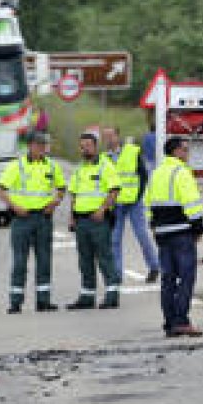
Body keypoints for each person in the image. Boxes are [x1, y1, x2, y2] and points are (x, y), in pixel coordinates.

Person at [0, 131, 65, 314]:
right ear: (30, 146)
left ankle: (43, 301)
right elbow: (1, 190)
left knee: (44, 261)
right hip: (22, 220)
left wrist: (55, 203)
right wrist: (15, 207)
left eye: (45, 145)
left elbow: (61, 188)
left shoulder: (51, 166)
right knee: (19, 262)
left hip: (43, 218)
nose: (43, 148)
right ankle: (16, 302)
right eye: (39, 145)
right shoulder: (16, 166)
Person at [145, 136, 203, 337]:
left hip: (162, 233)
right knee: (186, 277)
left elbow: (148, 204)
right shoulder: (181, 172)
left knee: (168, 279)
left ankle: (170, 322)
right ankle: (181, 321)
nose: (187, 154)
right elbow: (192, 204)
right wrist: (198, 228)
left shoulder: (156, 173)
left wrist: (154, 225)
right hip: (181, 232)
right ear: (177, 152)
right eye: (185, 150)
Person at [66, 132, 121, 310]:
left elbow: (114, 190)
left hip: (98, 220)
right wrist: (72, 216)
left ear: (96, 146)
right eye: (82, 146)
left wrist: (103, 209)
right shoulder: (80, 169)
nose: (85, 149)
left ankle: (112, 295)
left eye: (88, 145)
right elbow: (74, 194)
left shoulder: (106, 166)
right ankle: (87, 297)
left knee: (105, 258)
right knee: (85, 260)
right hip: (81, 220)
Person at [102, 127, 160, 283]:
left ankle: (154, 266)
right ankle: (117, 275)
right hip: (115, 204)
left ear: (117, 136)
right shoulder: (103, 158)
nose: (107, 139)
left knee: (142, 235)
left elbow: (143, 175)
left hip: (134, 202)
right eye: (105, 136)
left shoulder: (132, 152)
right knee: (114, 239)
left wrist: (139, 195)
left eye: (110, 136)